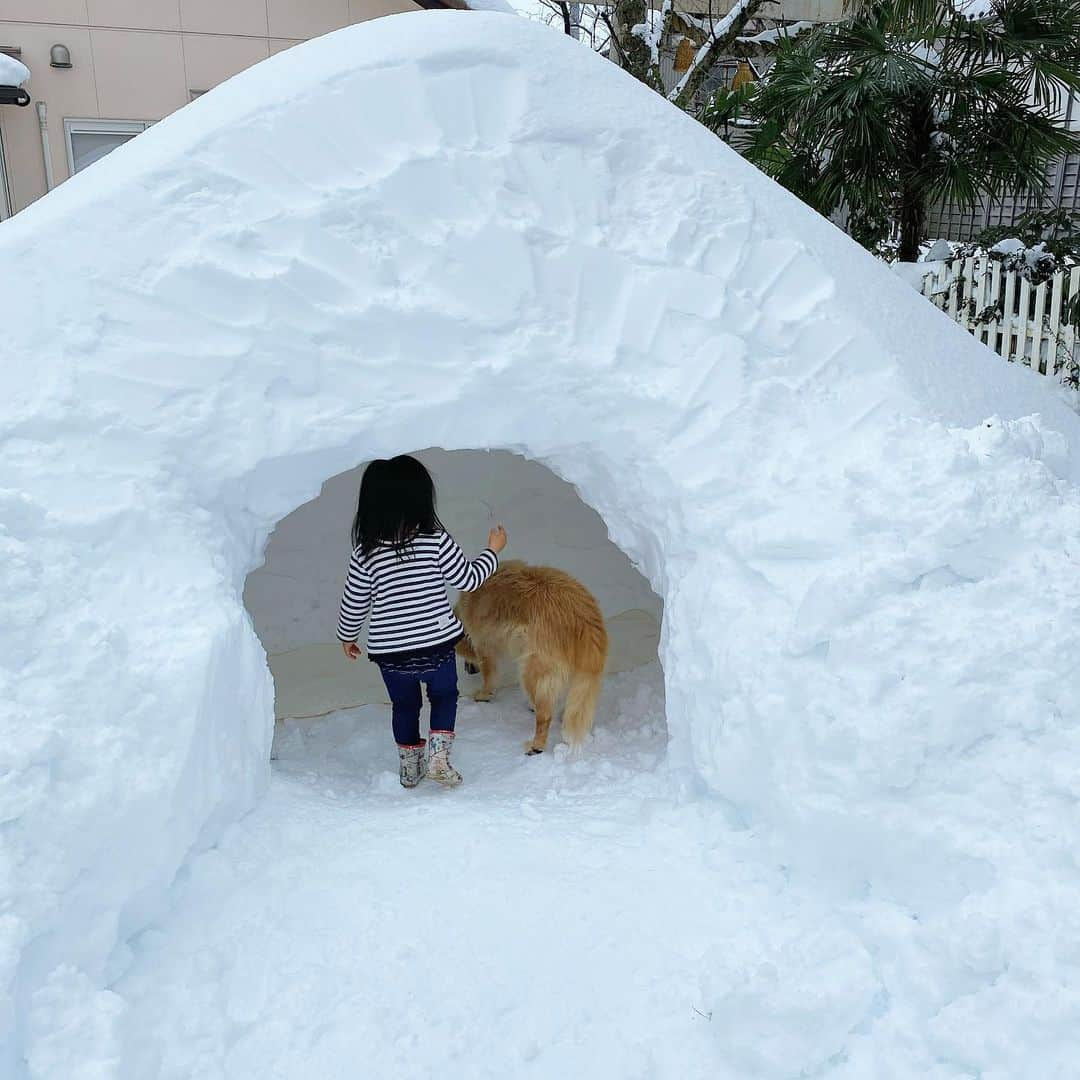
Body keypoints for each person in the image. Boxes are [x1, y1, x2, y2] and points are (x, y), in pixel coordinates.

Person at [336, 455, 508, 788]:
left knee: (404, 705)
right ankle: (439, 759)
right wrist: (493, 550)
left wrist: (347, 636)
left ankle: (410, 767)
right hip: (437, 647)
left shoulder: (365, 552)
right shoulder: (435, 540)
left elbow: (354, 600)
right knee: (444, 697)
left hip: (391, 653)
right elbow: (469, 579)